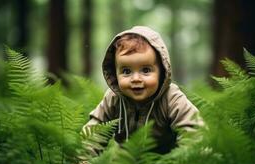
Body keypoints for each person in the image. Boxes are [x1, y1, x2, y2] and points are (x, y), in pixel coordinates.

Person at [83, 26, 203, 154]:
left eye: (145, 70)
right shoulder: (113, 98)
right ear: (115, 73)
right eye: (126, 71)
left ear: (161, 72)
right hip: (126, 162)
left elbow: (192, 128)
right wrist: (83, 160)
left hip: (167, 163)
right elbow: (95, 130)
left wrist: (188, 160)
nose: (135, 79)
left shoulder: (171, 97)